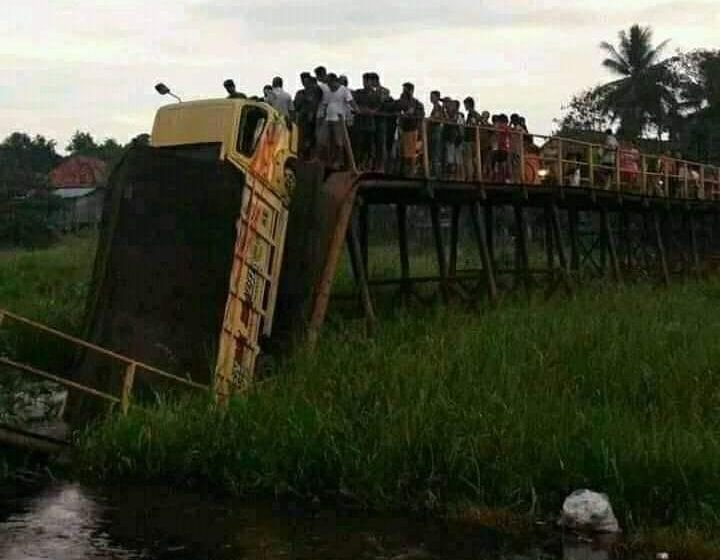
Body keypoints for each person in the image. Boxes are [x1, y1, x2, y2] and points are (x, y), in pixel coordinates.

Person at [323, 73, 358, 169]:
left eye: (329, 83)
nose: (328, 85)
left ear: (334, 81)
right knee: (329, 141)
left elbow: (351, 102)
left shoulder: (344, 90)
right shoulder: (328, 92)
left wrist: (356, 110)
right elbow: (325, 104)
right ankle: (331, 161)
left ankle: (339, 161)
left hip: (339, 119)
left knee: (339, 142)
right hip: (328, 118)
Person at [397, 82, 425, 177]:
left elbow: (421, 114)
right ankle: (404, 172)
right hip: (402, 129)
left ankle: (411, 172)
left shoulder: (416, 103)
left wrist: (411, 114)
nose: (404, 92)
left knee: (411, 154)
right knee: (403, 153)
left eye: (405, 89)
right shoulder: (401, 101)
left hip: (411, 129)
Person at [294, 72, 322, 159]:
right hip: (303, 118)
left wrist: (312, 113)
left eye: (305, 80)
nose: (304, 82)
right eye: (302, 80)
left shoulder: (315, 90)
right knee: (303, 138)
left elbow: (315, 103)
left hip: (311, 118)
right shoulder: (301, 93)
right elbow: (296, 105)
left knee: (310, 138)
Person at [443, 99, 464, 180]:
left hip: (454, 138)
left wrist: (460, 138)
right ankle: (454, 176)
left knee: (453, 159)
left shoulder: (458, 115)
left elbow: (456, 125)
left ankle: (456, 177)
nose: (450, 106)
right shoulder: (454, 114)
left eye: (452, 105)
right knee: (453, 158)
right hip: (453, 138)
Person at [463, 97, 481, 180]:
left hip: (470, 138)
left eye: (465, 104)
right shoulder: (476, 114)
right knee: (474, 158)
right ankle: (475, 175)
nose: (465, 106)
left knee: (469, 158)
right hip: (474, 139)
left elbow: (472, 124)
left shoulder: (472, 114)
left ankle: (471, 176)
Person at [429, 91, 446, 178]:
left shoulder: (438, 107)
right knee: (433, 152)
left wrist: (430, 119)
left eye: (432, 96)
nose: (430, 98)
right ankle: (434, 172)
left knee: (436, 152)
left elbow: (437, 117)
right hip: (433, 131)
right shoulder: (436, 107)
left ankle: (436, 173)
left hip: (437, 131)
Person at [491, 114, 511, 182]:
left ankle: (499, 177)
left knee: (498, 162)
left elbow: (496, 133)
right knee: (502, 163)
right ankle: (504, 177)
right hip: (503, 148)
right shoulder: (507, 127)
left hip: (500, 147)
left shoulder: (500, 127)